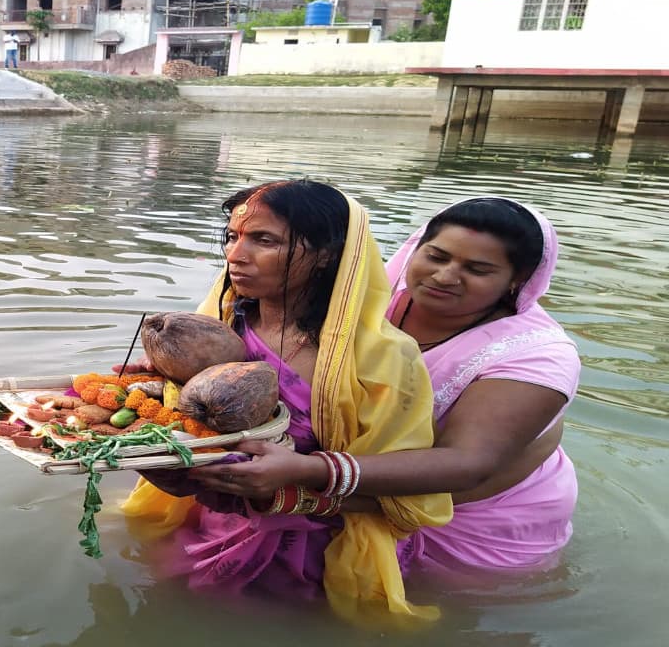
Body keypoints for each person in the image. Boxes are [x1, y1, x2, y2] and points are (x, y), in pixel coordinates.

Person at [197, 198, 580, 578]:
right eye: (437, 256)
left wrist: (309, 471)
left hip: (469, 524)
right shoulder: (360, 296)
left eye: (477, 269)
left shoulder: (537, 356)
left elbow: (468, 464)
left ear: (518, 279)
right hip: (337, 486)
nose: (445, 276)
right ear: (415, 248)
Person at [121, 180, 451, 620]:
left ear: (327, 254)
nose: (236, 255)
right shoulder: (222, 321)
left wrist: (290, 490)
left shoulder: (382, 357)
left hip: (318, 549)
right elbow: (190, 417)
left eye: (264, 240)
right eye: (233, 237)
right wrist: (160, 384)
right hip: (214, 519)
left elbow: (408, 498)